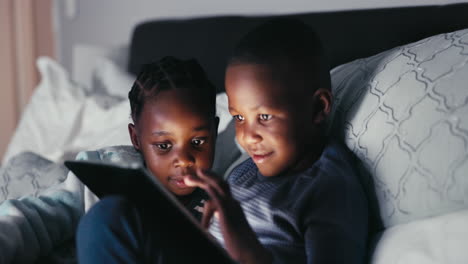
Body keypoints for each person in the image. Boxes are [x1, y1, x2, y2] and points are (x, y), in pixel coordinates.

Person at [77, 18, 369, 264]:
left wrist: (241, 241)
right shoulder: (248, 171)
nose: (247, 136)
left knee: (110, 218)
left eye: (264, 117)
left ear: (318, 108)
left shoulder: (329, 187)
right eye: (239, 118)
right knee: (111, 215)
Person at [0, 56, 219, 263]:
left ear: (215, 132)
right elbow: (40, 217)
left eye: (198, 142)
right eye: (163, 146)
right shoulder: (105, 174)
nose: (183, 160)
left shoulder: (225, 201)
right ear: (136, 138)